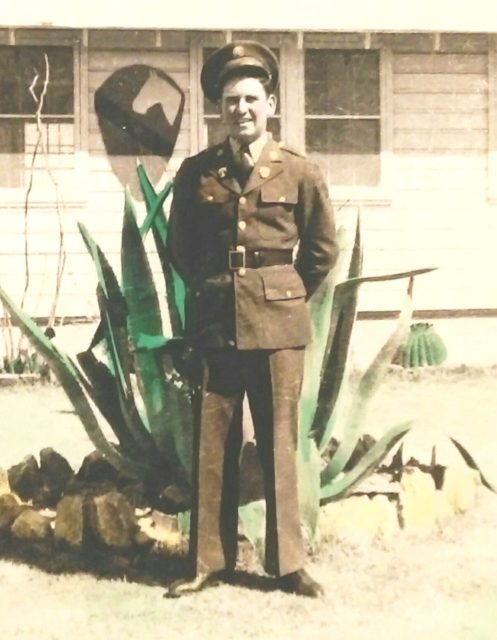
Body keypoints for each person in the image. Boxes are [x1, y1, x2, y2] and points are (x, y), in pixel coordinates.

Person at [165, 41, 338, 598]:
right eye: (230, 101)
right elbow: (180, 248)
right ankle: (209, 563)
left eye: (251, 99)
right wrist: (217, 291)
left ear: (271, 104)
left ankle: (288, 564)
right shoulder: (197, 173)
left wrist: (283, 293)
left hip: (278, 329)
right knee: (212, 444)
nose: (241, 109)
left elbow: (321, 250)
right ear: (218, 110)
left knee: (279, 443)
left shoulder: (301, 171)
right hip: (216, 324)